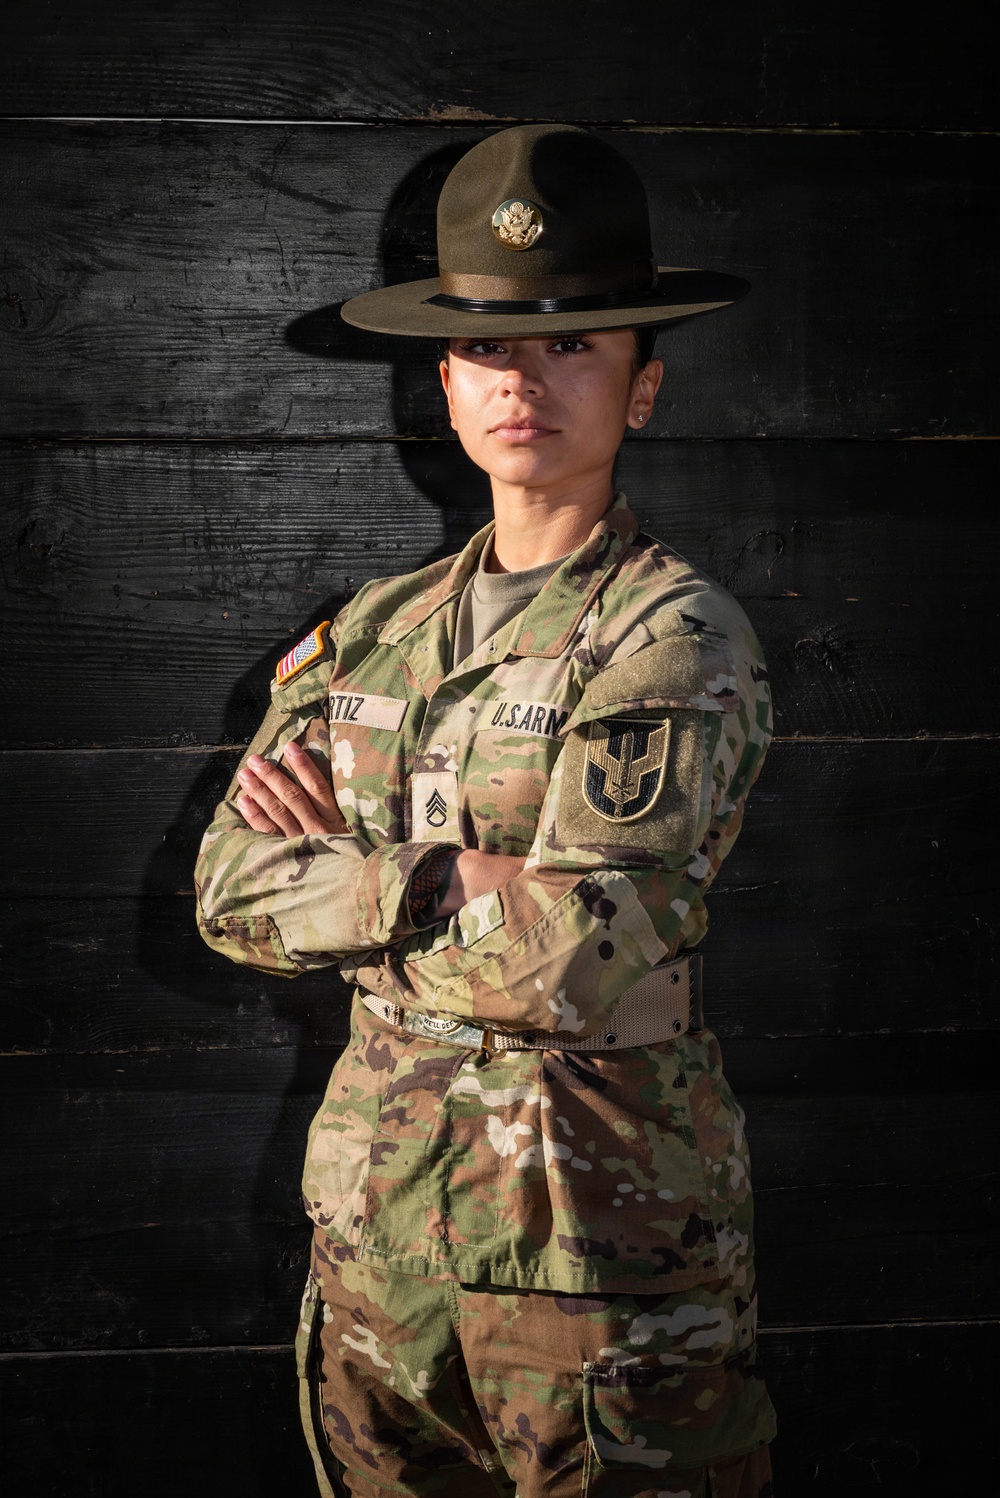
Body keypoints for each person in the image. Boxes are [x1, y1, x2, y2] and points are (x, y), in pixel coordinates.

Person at [194, 124, 776, 1498]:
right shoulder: (367, 636)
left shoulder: (672, 635)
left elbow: (578, 954)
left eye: (574, 344)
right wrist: (446, 874)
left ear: (642, 389)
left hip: (591, 1246)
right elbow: (225, 888)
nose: (525, 379)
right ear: (444, 380)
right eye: (490, 346)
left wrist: (337, 876)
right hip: (381, 1234)